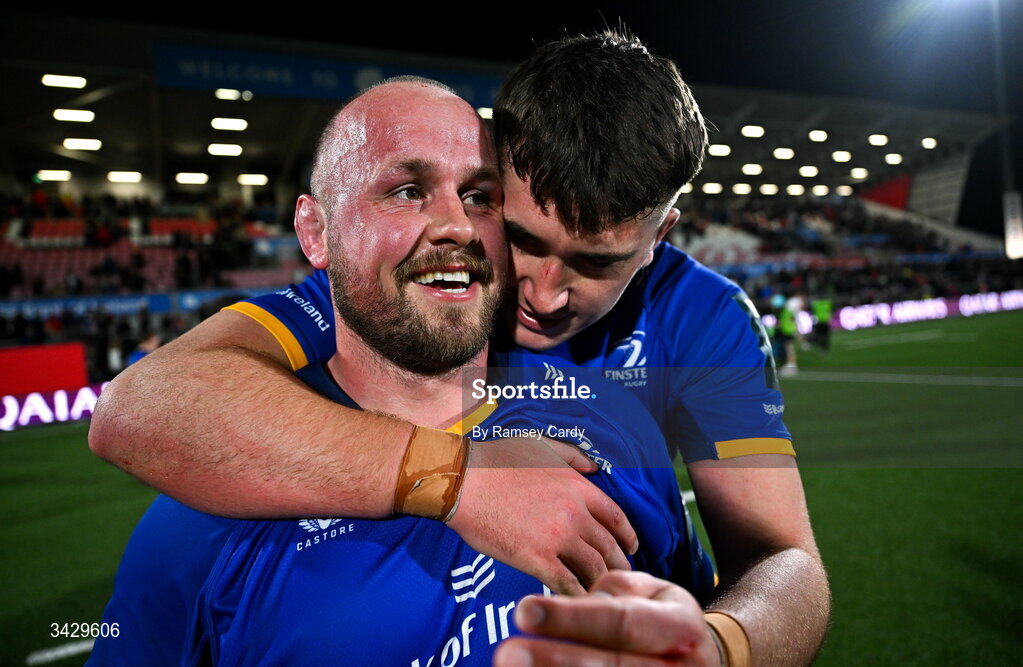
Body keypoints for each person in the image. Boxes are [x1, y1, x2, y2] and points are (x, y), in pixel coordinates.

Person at [90, 32, 829, 664]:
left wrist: (715, 644)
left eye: (596, 262)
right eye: (523, 238)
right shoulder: (400, 285)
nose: (540, 293)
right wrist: (459, 477)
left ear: (658, 238)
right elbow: (143, 403)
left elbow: (781, 560)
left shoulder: (697, 319)